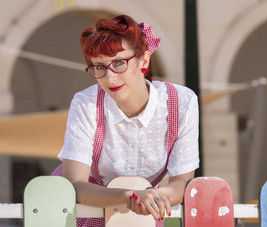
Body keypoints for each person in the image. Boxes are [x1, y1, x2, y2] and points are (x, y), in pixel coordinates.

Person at [53, 14, 199, 226]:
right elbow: (75, 184)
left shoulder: (181, 102)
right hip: (84, 208)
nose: (110, 78)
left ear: (144, 60)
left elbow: (181, 182)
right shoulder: (87, 103)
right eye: (99, 67)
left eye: (119, 63)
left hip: (145, 208)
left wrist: (155, 197)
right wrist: (130, 196)